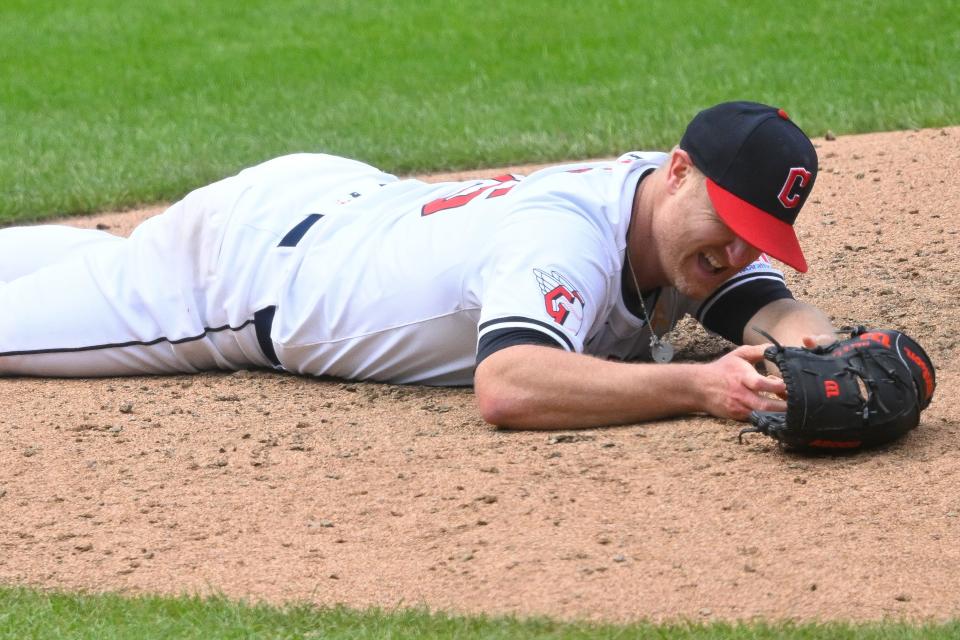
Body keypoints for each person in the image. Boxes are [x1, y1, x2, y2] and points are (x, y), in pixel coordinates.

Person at [0, 101, 835, 430]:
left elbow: (767, 307)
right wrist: (698, 386)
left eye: (757, 234)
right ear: (681, 170)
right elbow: (510, 384)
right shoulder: (564, 239)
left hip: (326, 204)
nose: (734, 252)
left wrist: (836, 349)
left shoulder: (665, 211)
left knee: (111, 266)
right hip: (235, 276)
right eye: (728, 224)